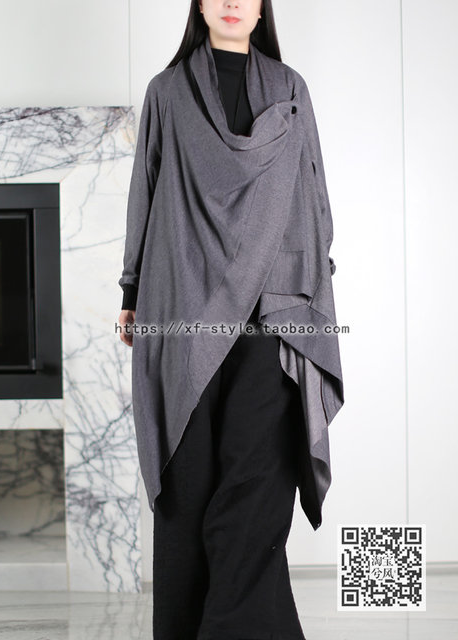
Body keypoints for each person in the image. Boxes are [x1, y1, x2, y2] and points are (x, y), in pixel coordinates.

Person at [118, 1, 345, 638]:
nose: (232, 1)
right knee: (187, 485)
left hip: (273, 311)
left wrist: (314, 283)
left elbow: (312, 191)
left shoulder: (289, 87)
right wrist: (132, 287)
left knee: (257, 485)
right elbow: (146, 190)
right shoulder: (167, 91)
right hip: (182, 307)